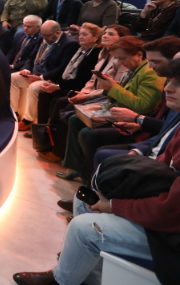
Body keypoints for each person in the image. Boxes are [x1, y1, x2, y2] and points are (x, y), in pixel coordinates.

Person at [12, 61, 180, 285]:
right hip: (160, 196)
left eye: (177, 83)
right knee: (85, 198)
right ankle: (80, 269)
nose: (167, 88)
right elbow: (162, 155)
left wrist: (114, 205)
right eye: (170, 81)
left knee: (83, 229)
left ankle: (63, 280)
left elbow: (170, 211)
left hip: (169, 234)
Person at [58, 36, 165, 183]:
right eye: (117, 59)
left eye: (122, 58)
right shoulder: (133, 69)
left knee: (87, 133)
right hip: (118, 110)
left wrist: (113, 88)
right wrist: (109, 87)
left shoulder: (149, 73)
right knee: (75, 119)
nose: (120, 62)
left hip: (132, 118)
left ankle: (88, 178)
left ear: (139, 54)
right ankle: (74, 166)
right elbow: (121, 93)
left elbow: (144, 106)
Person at [32, 24, 103, 161]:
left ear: (95, 37)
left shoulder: (95, 54)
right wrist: (54, 83)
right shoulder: (81, 50)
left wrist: (58, 86)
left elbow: (82, 79)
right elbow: (66, 71)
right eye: (80, 34)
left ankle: (56, 149)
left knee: (59, 101)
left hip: (80, 88)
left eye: (85, 35)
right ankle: (42, 136)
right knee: (44, 93)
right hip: (71, 84)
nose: (81, 37)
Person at [11, 20, 79, 131]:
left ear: (57, 32)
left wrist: (41, 77)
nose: (44, 38)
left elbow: (62, 68)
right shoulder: (42, 39)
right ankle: (14, 113)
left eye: (47, 35)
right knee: (13, 78)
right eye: (42, 35)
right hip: (35, 73)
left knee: (34, 88)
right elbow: (31, 58)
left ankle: (28, 120)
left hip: (51, 78)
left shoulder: (69, 44)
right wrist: (26, 69)